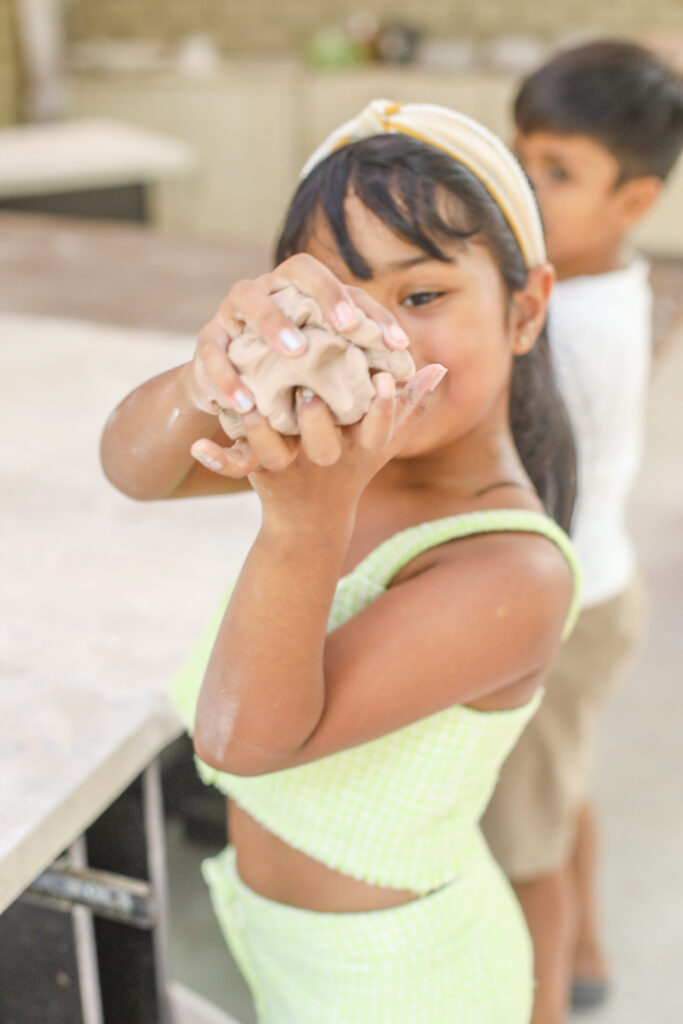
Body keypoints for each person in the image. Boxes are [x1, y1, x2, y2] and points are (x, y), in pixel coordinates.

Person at [101, 101, 581, 1023]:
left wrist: (302, 523)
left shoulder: (513, 570)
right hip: (289, 953)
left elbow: (244, 739)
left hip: (405, 986)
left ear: (524, 310)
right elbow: (134, 469)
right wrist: (209, 375)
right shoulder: (354, 453)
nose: (379, 341)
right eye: (336, 305)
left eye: (422, 296)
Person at [481, 40, 683, 1022]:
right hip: (593, 589)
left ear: (632, 200)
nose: (523, 186)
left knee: (522, 848)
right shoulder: (604, 280)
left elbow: (511, 480)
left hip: (558, 612)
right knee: (555, 794)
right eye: (520, 156)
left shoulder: (569, 325)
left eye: (556, 172)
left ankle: (546, 1005)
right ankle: (589, 946)